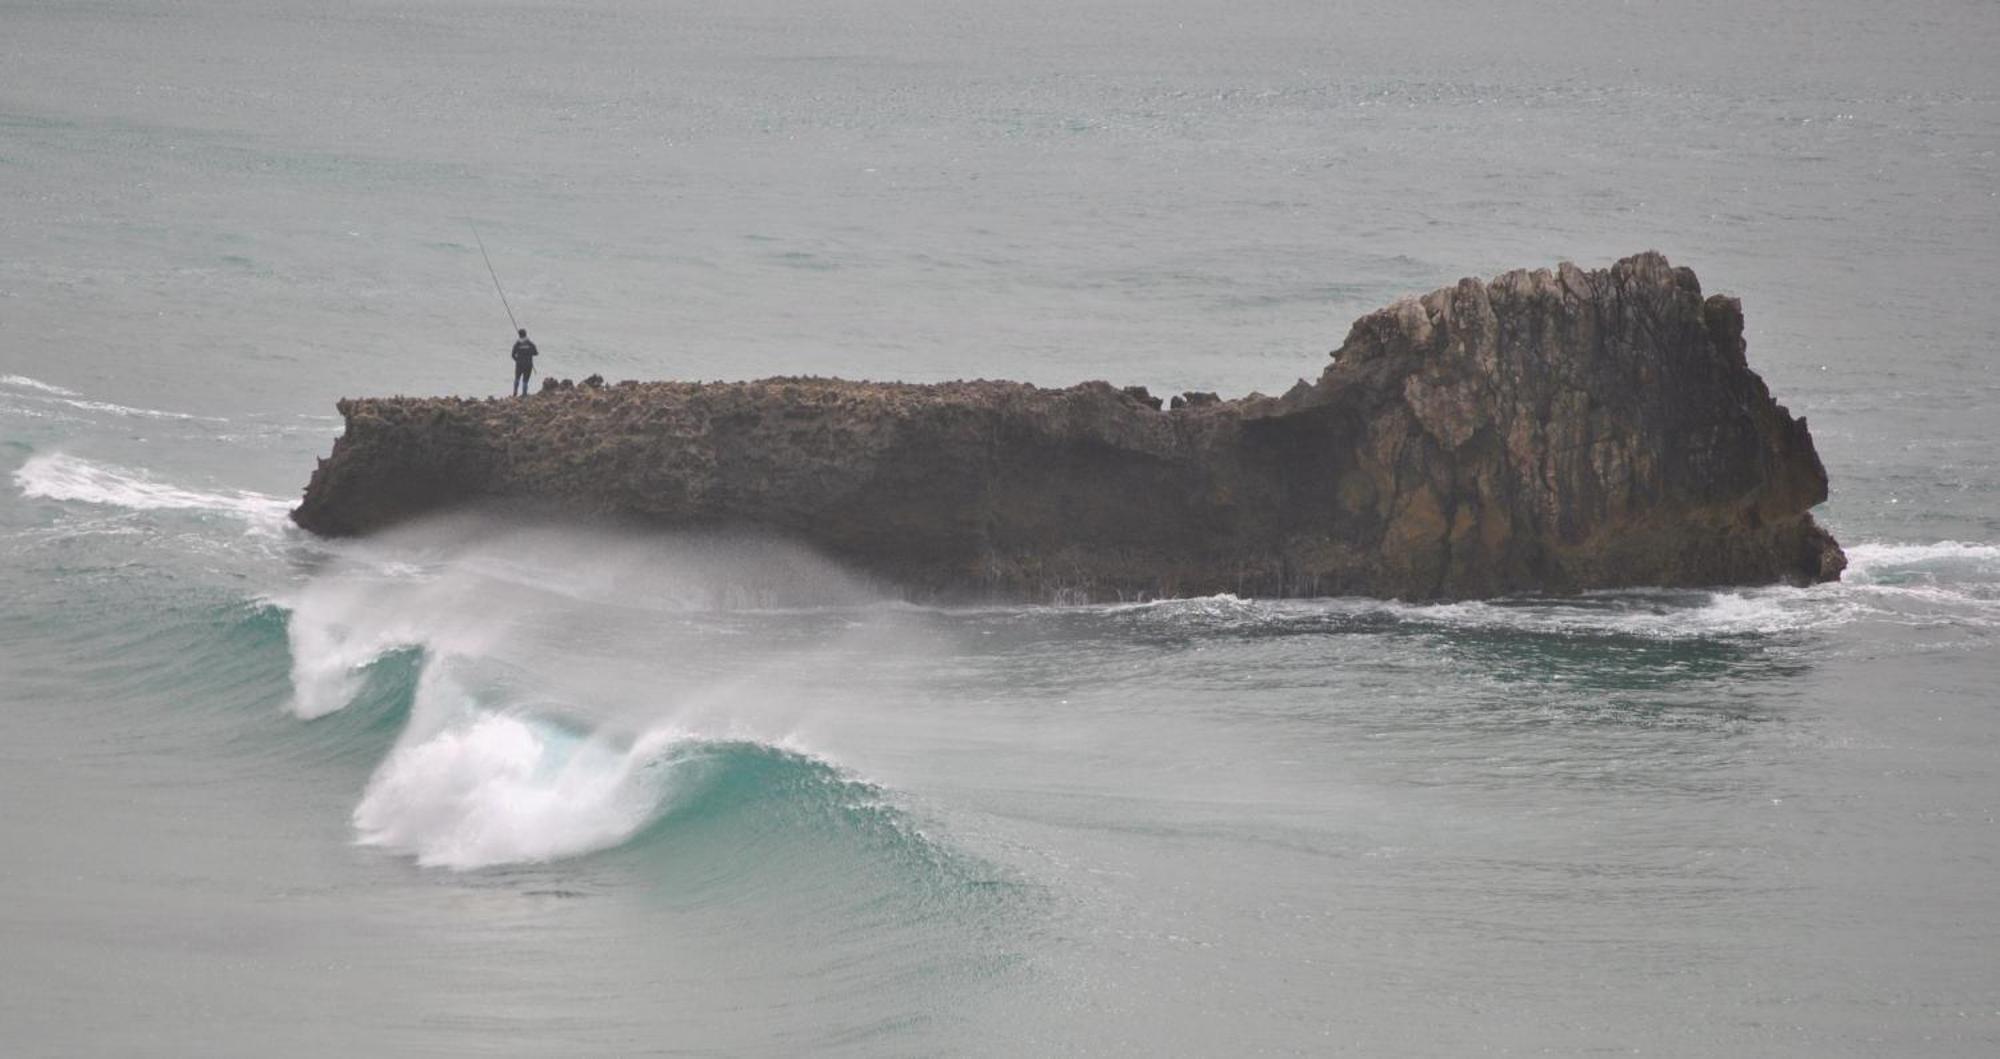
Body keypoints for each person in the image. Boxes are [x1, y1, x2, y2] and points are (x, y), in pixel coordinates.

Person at [510, 328, 538, 396]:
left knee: (517, 378)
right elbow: (536, 353)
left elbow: (513, 355)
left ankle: (515, 392)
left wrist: (517, 360)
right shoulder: (530, 343)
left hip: (519, 364)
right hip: (528, 364)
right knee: (525, 380)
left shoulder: (517, 344)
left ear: (519, 335)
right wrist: (529, 353)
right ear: (526, 334)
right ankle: (524, 394)